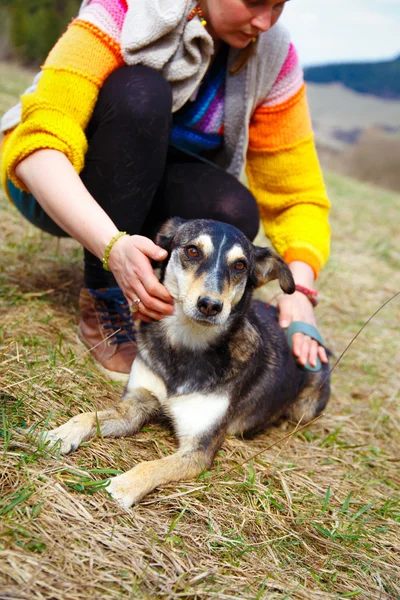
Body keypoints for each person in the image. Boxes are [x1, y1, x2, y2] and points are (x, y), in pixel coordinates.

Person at [1, 0, 330, 382]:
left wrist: (300, 292)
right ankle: (106, 299)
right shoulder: (123, 10)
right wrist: (112, 247)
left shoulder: (273, 54)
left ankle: (157, 299)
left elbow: (297, 193)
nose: (264, 20)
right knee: (142, 92)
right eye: (254, 1)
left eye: (278, 6)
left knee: (232, 210)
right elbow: (39, 149)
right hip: (55, 187)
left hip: (148, 195)